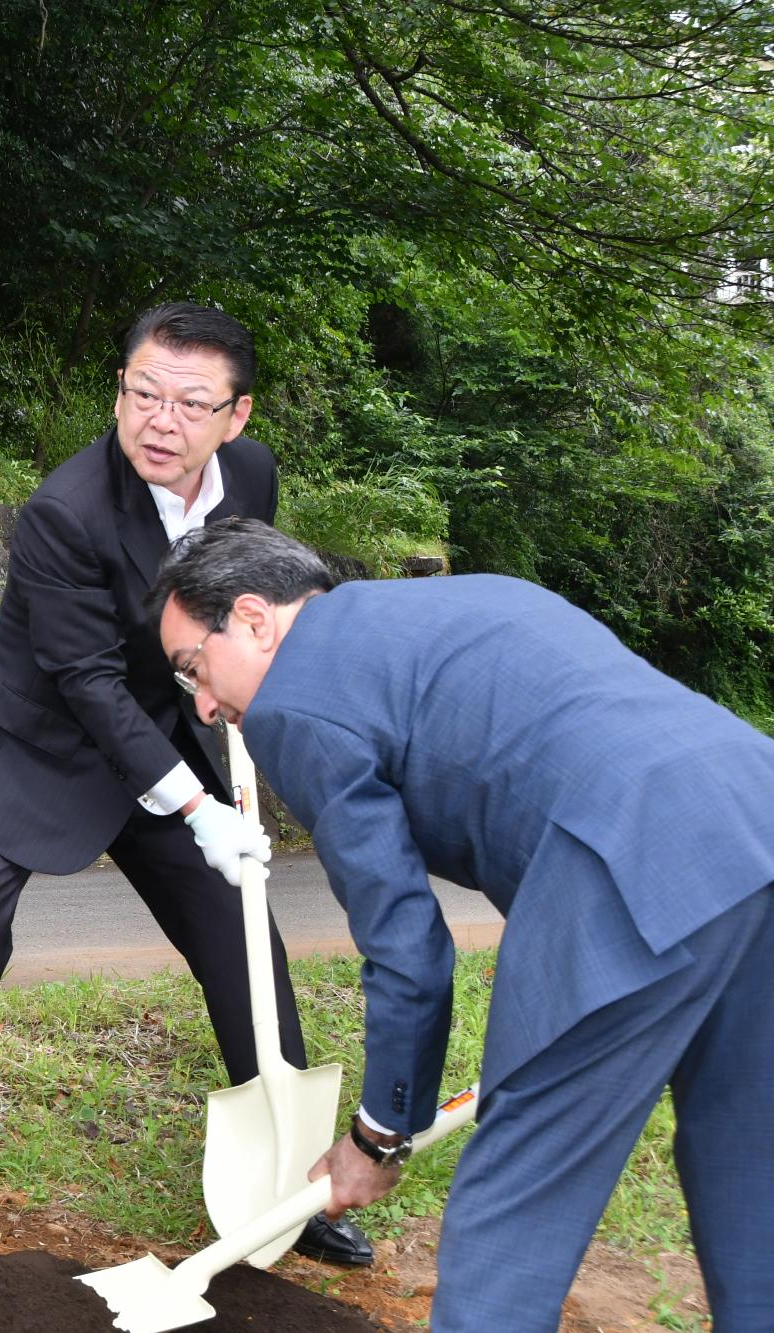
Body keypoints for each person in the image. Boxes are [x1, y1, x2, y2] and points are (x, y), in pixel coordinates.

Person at [0, 304, 371, 1268]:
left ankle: (302, 1183)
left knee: (241, 932)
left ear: (236, 417)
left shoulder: (250, 477)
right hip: (36, 740)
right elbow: (85, 680)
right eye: (141, 394)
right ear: (119, 391)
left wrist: (225, 693)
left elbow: (243, 603)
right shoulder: (65, 510)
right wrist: (199, 807)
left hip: (166, 727)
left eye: (189, 402)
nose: (159, 421)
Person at [148, 517, 774, 1332]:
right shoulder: (456, 604)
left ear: (258, 618)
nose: (202, 702)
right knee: (746, 1152)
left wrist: (377, 1137)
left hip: (623, 859)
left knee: (517, 1196)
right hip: (755, 816)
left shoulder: (296, 703)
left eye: (194, 666)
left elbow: (407, 948)